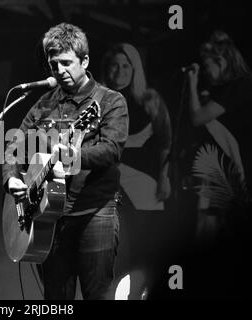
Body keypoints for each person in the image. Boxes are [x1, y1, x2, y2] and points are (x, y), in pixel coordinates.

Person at [2, 23, 129, 300]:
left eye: (66, 63)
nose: (59, 71)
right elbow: (14, 146)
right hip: (51, 220)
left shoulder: (110, 101)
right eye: (53, 64)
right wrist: (12, 177)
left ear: (84, 61)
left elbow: (112, 149)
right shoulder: (43, 105)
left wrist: (75, 156)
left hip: (95, 214)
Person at [99, 43, 172, 299]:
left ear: (135, 67)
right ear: (107, 69)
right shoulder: (97, 100)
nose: (120, 71)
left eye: (126, 65)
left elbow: (165, 140)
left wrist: (164, 177)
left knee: (146, 255)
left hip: (145, 186)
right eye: (114, 65)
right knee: (116, 255)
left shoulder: (149, 99)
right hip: (110, 187)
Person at [184, 30, 252, 298]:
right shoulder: (227, 90)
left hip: (237, 173)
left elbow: (198, 117)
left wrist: (191, 83)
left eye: (208, 64)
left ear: (222, 61)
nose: (205, 71)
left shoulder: (240, 86)